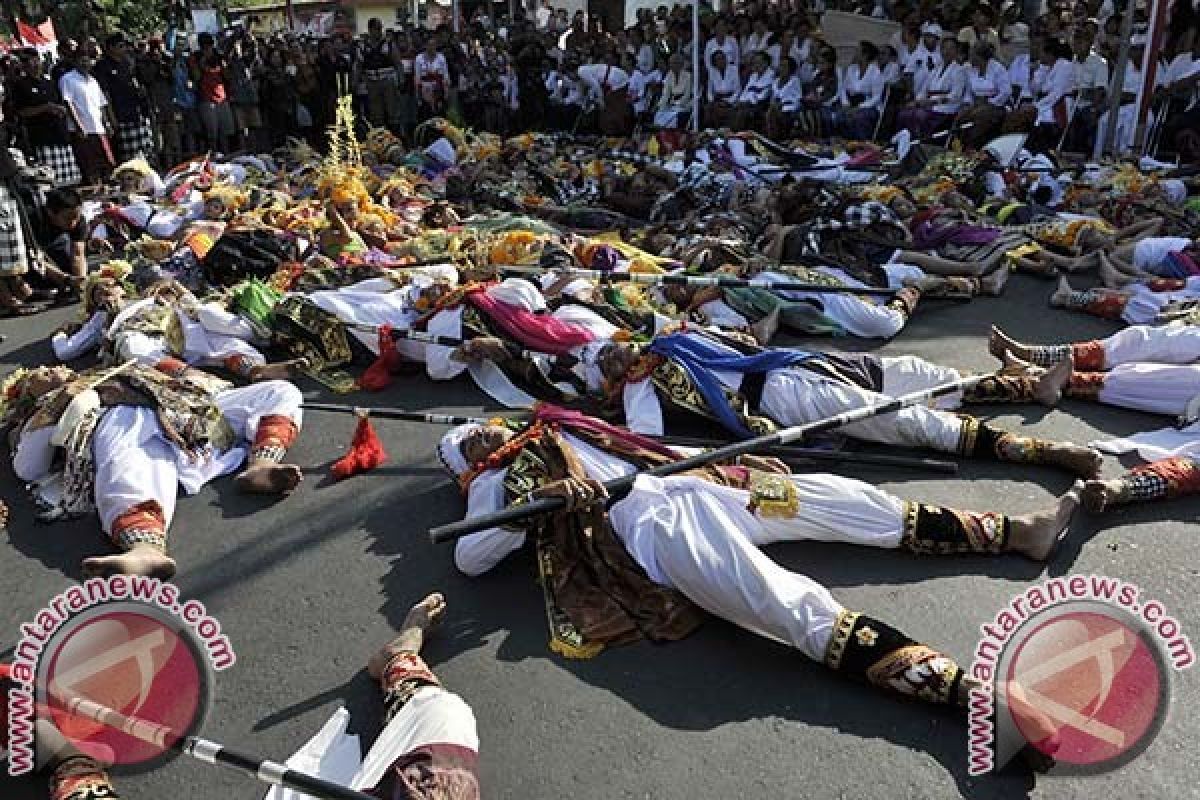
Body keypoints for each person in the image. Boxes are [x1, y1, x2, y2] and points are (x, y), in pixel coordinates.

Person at [435, 408, 1068, 751]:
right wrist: (543, 500)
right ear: (467, 461)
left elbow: (645, 441)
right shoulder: (497, 485)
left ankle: (1014, 533)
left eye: (490, 424)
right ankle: (971, 695)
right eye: (475, 438)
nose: (490, 430)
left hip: (701, 484)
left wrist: (728, 460)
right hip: (655, 533)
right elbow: (471, 557)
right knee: (790, 604)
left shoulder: (560, 427)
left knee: (836, 498)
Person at [593, 328, 1101, 476]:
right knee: (910, 422)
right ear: (612, 380)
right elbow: (645, 443)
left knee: (915, 374)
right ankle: (1045, 450)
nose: (616, 352)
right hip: (781, 398)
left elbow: (740, 342)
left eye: (612, 344)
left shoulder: (669, 339)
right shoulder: (643, 391)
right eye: (606, 359)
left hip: (792, 362)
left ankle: (1033, 386)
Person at [3, 360, 305, 578]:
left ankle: (262, 464)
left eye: (47, 367)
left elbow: (181, 374)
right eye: (38, 375)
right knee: (127, 464)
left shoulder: (112, 368)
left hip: (186, 414)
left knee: (279, 392)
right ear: (27, 395)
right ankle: (146, 550)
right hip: (122, 421)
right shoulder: (42, 413)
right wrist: (57, 404)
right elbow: (28, 468)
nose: (50, 369)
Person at [9, 50, 81, 187]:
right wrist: (45, 108)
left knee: (71, 180)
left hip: (60, 135)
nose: (35, 64)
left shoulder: (50, 83)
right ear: (23, 65)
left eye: (37, 60)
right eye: (30, 60)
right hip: (42, 139)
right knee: (50, 182)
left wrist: (61, 110)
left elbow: (62, 105)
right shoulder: (20, 85)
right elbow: (21, 112)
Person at [94, 33, 155, 165]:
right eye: (120, 46)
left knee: (146, 153)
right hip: (120, 116)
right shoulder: (103, 66)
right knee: (129, 159)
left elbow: (135, 82)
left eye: (125, 46)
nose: (124, 49)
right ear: (110, 48)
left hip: (136, 113)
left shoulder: (127, 63)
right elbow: (105, 95)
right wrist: (111, 118)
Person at [58, 54, 114, 185]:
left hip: (98, 128)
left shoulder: (93, 80)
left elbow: (101, 104)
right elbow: (68, 102)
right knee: (89, 165)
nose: (85, 63)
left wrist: (106, 123)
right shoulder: (67, 79)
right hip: (83, 130)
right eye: (82, 60)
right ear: (75, 61)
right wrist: (79, 125)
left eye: (88, 60)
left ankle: (108, 193)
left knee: (107, 163)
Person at [191, 32, 235, 153]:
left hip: (222, 97)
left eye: (210, 45)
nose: (208, 48)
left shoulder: (218, 56)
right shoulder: (195, 57)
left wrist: (222, 62)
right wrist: (202, 62)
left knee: (225, 131)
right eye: (205, 46)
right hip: (206, 99)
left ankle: (226, 154)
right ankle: (214, 156)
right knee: (212, 133)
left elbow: (227, 76)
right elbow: (196, 77)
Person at [357, 18, 401, 130]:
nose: (380, 31)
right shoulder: (363, 46)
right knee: (376, 114)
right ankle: (380, 137)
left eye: (380, 28)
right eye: (377, 28)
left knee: (393, 112)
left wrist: (401, 80)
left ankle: (395, 134)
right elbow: (358, 65)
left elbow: (398, 63)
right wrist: (356, 82)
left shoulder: (388, 44)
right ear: (370, 30)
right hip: (371, 82)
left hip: (388, 81)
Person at [415, 37, 451, 121]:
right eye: (429, 45)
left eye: (434, 45)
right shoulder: (419, 58)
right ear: (425, 46)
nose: (432, 47)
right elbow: (417, 77)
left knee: (440, 113)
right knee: (426, 113)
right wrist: (418, 95)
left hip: (439, 88)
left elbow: (445, 75)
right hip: (425, 89)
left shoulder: (441, 57)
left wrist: (446, 91)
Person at [654, 53, 692, 130]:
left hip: (684, 104)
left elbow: (687, 95)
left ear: (680, 64)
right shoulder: (669, 75)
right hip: (671, 104)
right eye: (670, 63)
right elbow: (666, 94)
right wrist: (660, 105)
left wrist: (676, 103)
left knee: (673, 116)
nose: (671, 65)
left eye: (674, 63)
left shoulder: (688, 76)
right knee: (659, 114)